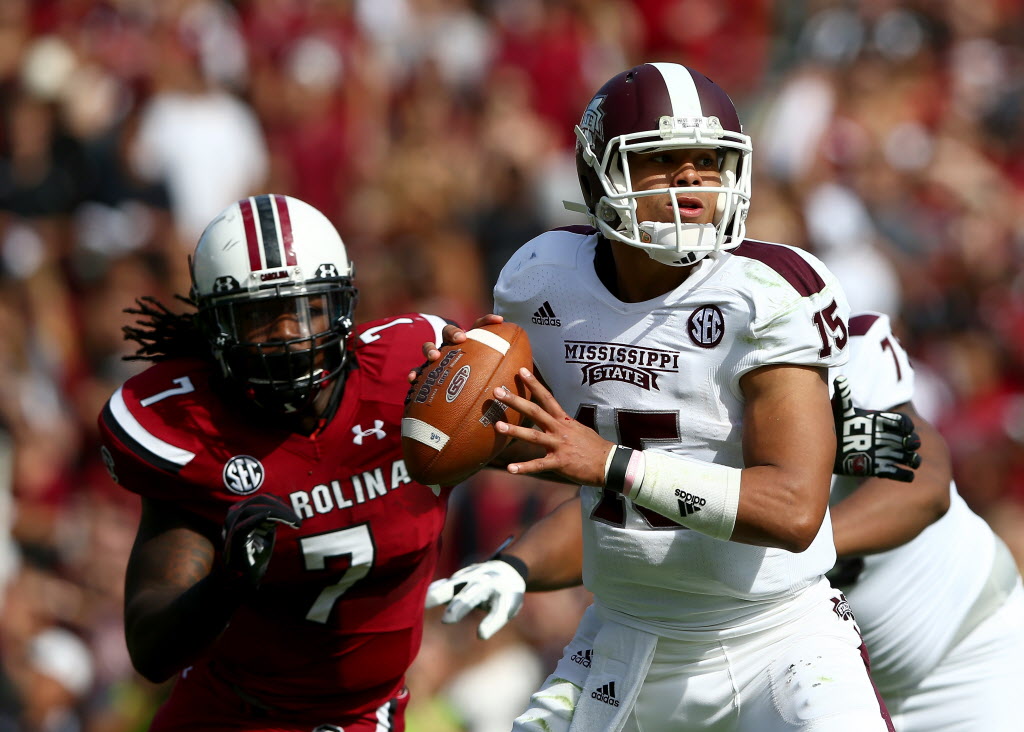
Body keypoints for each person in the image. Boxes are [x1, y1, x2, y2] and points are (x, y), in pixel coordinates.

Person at [422, 63, 921, 731]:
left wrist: (611, 464)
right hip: (626, 637)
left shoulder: (765, 293)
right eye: (661, 161)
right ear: (600, 175)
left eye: (708, 162)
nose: (691, 178)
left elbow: (795, 508)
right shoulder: (541, 280)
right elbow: (546, 455)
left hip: (777, 642)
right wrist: (509, 553)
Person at [97, 194, 457, 731]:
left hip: (362, 714)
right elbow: (150, 648)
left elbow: (550, 452)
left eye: (304, 308)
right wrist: (226, 585)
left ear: (340, 307)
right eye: (261, 316)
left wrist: (490, 386)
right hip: (229, 715)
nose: (287, 336)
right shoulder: (192, 426)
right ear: (218, 326)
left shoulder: (409, 377)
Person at [827, 311, 1024, 731]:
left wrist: (800, 543)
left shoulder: (847, 350)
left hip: (966, 653)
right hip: (828, 685)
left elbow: (923, 481)